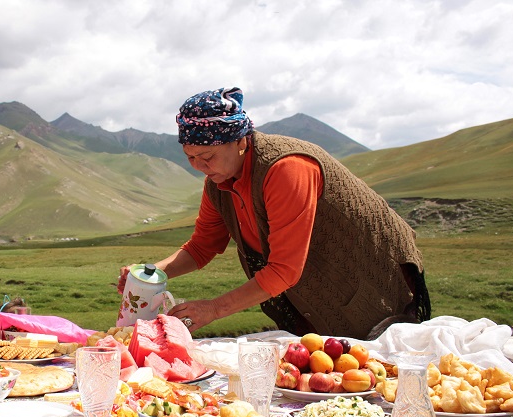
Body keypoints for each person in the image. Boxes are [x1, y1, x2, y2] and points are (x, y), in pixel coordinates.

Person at [117, 87, 430, 340]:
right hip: (308, 296)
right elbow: (202, 247)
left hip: (366, 282)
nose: (199, 166)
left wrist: (214, 309)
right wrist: (147, 274)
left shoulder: (286, 169)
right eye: (190, 157)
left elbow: (283, 270)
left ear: (240, 141)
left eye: (207, 156)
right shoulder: (218, 182)